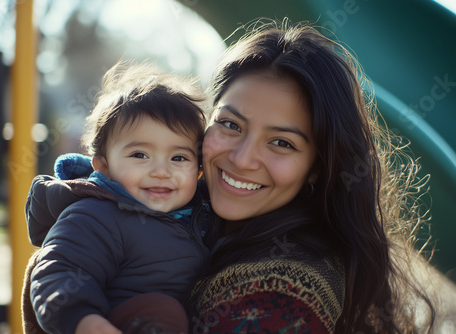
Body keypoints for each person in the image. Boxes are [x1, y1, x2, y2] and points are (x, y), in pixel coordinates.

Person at [25, 21, 437, 333]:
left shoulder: (285, 289)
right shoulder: (172, 207)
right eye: (231, 125)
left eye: (282, 144)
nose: (241, 159)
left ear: (317, 169)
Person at [26, 61, 210, 334]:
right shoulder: (95, 216)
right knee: (161, 311)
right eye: (140, 155)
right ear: (103, 166)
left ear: (198, 171)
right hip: (119, 323)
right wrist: (86, 323)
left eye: (179, 157)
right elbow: (59, 271)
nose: (161, 171)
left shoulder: (200, 216)